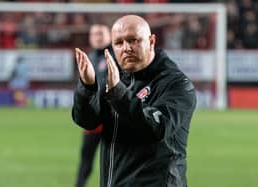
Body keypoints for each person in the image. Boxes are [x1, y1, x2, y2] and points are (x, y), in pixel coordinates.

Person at [72, 15, 196, 187]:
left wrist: (118, 93)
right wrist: (87, 87)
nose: (126, 48)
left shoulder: (176, 84)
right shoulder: (114, 79)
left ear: (151, 41)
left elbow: (158, 127)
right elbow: (86, 121)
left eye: (133, 40)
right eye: (119, 43)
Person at [75, 23, 111, 187]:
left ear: (109, 36)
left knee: (112, 161)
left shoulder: (116, 56)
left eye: (101, 33)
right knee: (86, 157)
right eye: (95, 34)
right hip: (93, 119)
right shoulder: (89, 57)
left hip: (112, 119)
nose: (98, 37)